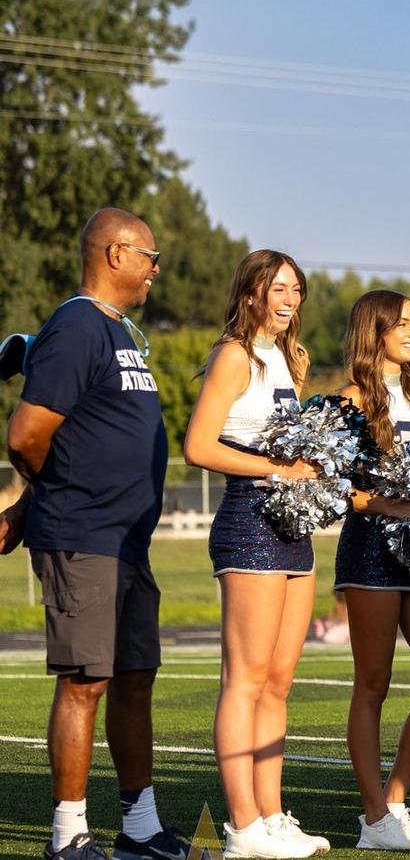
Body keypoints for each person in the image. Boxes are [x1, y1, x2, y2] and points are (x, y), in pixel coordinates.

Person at [5, 208, 188, 860]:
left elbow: (83, 438)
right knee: (85, 681)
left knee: (134, 676)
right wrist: (46, 500)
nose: (155, 268)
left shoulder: (121, 334)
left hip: (126, 542)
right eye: (149, 254)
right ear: (115, 254)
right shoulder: (78, 326)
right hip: (85, 536)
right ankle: (67, 834)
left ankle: (139, 829)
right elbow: (27, 435)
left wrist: (29, 502)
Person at [183, 250, 329, 860]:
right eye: (278, 288)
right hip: (249, 519)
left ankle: (271, 817)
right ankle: (242, 828)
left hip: (293, 526)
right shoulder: (234, 354)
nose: (290, 297)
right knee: (243, 681)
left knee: (277, 683)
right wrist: (279, 468)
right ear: (250, 294)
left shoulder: (288, 359)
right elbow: (197, 445)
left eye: (296, 287)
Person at [333, 291, 410, 849]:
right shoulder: (350, 400)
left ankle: (395, 801)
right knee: (373, 685)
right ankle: (374, 816)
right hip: (372, 551)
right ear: (373, 331)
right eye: (401, 323)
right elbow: (330, 486)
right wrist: (383, 504)